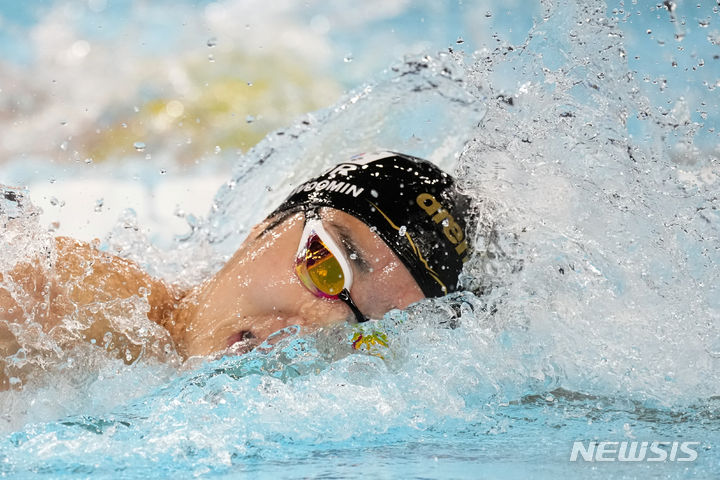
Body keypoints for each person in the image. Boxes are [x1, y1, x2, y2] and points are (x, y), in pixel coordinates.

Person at [0, 152, 472, 388]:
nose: (306, 333)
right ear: (265, 227)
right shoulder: (55, 302)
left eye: (368, 330)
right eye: (326, 263)